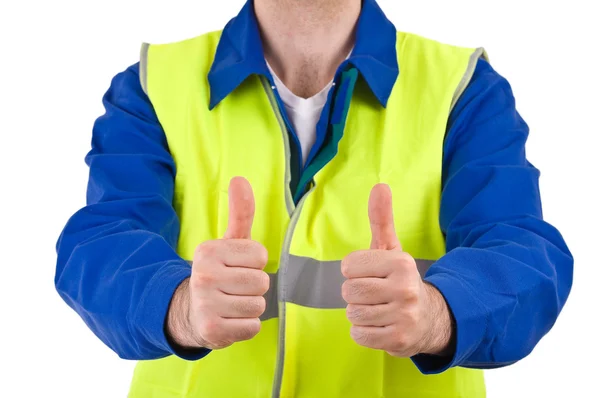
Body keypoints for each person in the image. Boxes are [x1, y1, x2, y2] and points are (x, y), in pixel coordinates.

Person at [54, 0, 573, 396]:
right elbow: (100, 245)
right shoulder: (153, 84)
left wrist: (437, 314)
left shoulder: (464, 88)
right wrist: (180, 308)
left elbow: (523, 254)